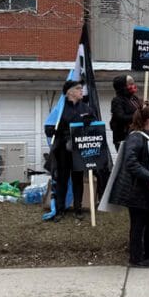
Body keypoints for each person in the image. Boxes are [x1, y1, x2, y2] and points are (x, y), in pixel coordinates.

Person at [108, 106, 149, 267]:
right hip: (138, 189)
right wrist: (148, 176)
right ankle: (136, 258)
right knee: (138, 225)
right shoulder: (136, 137)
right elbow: (131, 162)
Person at [46, 79, 93, 222]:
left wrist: (88, 125)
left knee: (78, 179)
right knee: (62, 180)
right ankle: (60, 209)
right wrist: (58, 129)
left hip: (79, 150)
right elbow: (48, 129)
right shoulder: (59, 109)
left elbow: (95, 127)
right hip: (62, 150)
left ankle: (78, 209)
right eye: (78, 88)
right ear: (69, 92)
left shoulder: (86, 108)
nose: (81, 91)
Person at [110, 74, 141, 147]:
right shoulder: (117, 101)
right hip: (123, 137)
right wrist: (137, 115)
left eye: (133, 83)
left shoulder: (134, 98)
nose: (133, 86)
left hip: (136, 135)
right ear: (122, 87)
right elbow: (120, 117)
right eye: (130, 84)